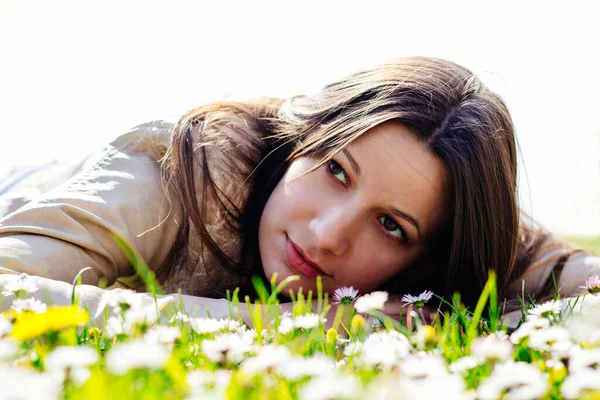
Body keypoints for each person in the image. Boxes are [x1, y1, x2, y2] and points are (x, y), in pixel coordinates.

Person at [0, 57, 598, 328]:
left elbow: (583, 283)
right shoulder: (174, 170)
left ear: (428, 257)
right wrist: (287, 324)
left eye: (391, 226)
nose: (325, 234)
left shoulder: (462, 231)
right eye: (336, 169)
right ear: (300, 138)